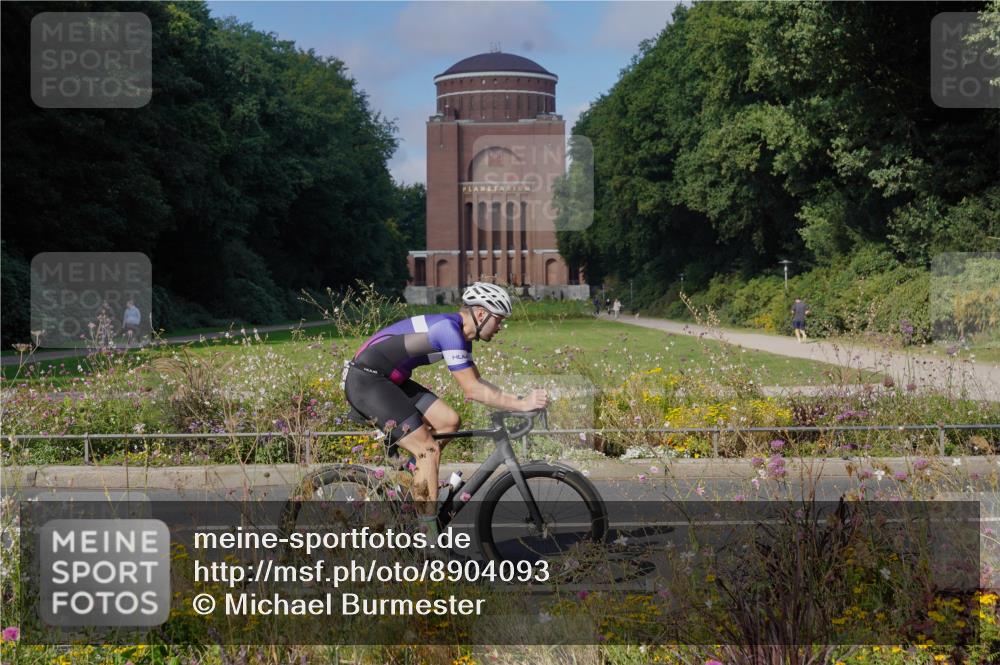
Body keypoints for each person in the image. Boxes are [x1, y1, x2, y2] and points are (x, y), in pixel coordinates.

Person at [343, 282, 548, 538]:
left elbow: (478, 382)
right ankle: (427, 539)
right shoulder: (448, 330)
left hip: (387, 379)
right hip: (367, 381)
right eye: (499, 319)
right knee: (427, 450)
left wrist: (518, 400)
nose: (501, 327)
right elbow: (472, 390)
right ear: (482, 314)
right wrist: (522, 404)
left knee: (449, 421)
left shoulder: (460, 335)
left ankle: (413, 485)